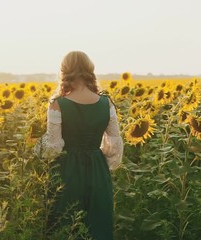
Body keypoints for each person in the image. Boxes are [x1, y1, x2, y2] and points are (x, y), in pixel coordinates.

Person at [34, 51, 123, 239]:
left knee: (65, 224)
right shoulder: (107, 103)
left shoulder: (57, 104)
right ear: (89, 70)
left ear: (64, 72)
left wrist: (36, 148)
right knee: (98, 224)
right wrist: (100, 164)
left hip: (67, 169)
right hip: (98, 168)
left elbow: (53, 146)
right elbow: (114, 143)